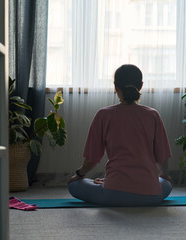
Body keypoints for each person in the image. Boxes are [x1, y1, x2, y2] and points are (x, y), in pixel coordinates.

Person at [68, 64, 173, 206]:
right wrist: (164, 175)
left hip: (113, 195)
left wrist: (78, 175)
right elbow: (162, 158)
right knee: (166, 182)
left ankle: (109, 182)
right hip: (151, 195)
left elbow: (92, 159)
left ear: (115, 86)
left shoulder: (103, 115)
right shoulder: (153, 115)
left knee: (74, 185)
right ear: (141, 86)